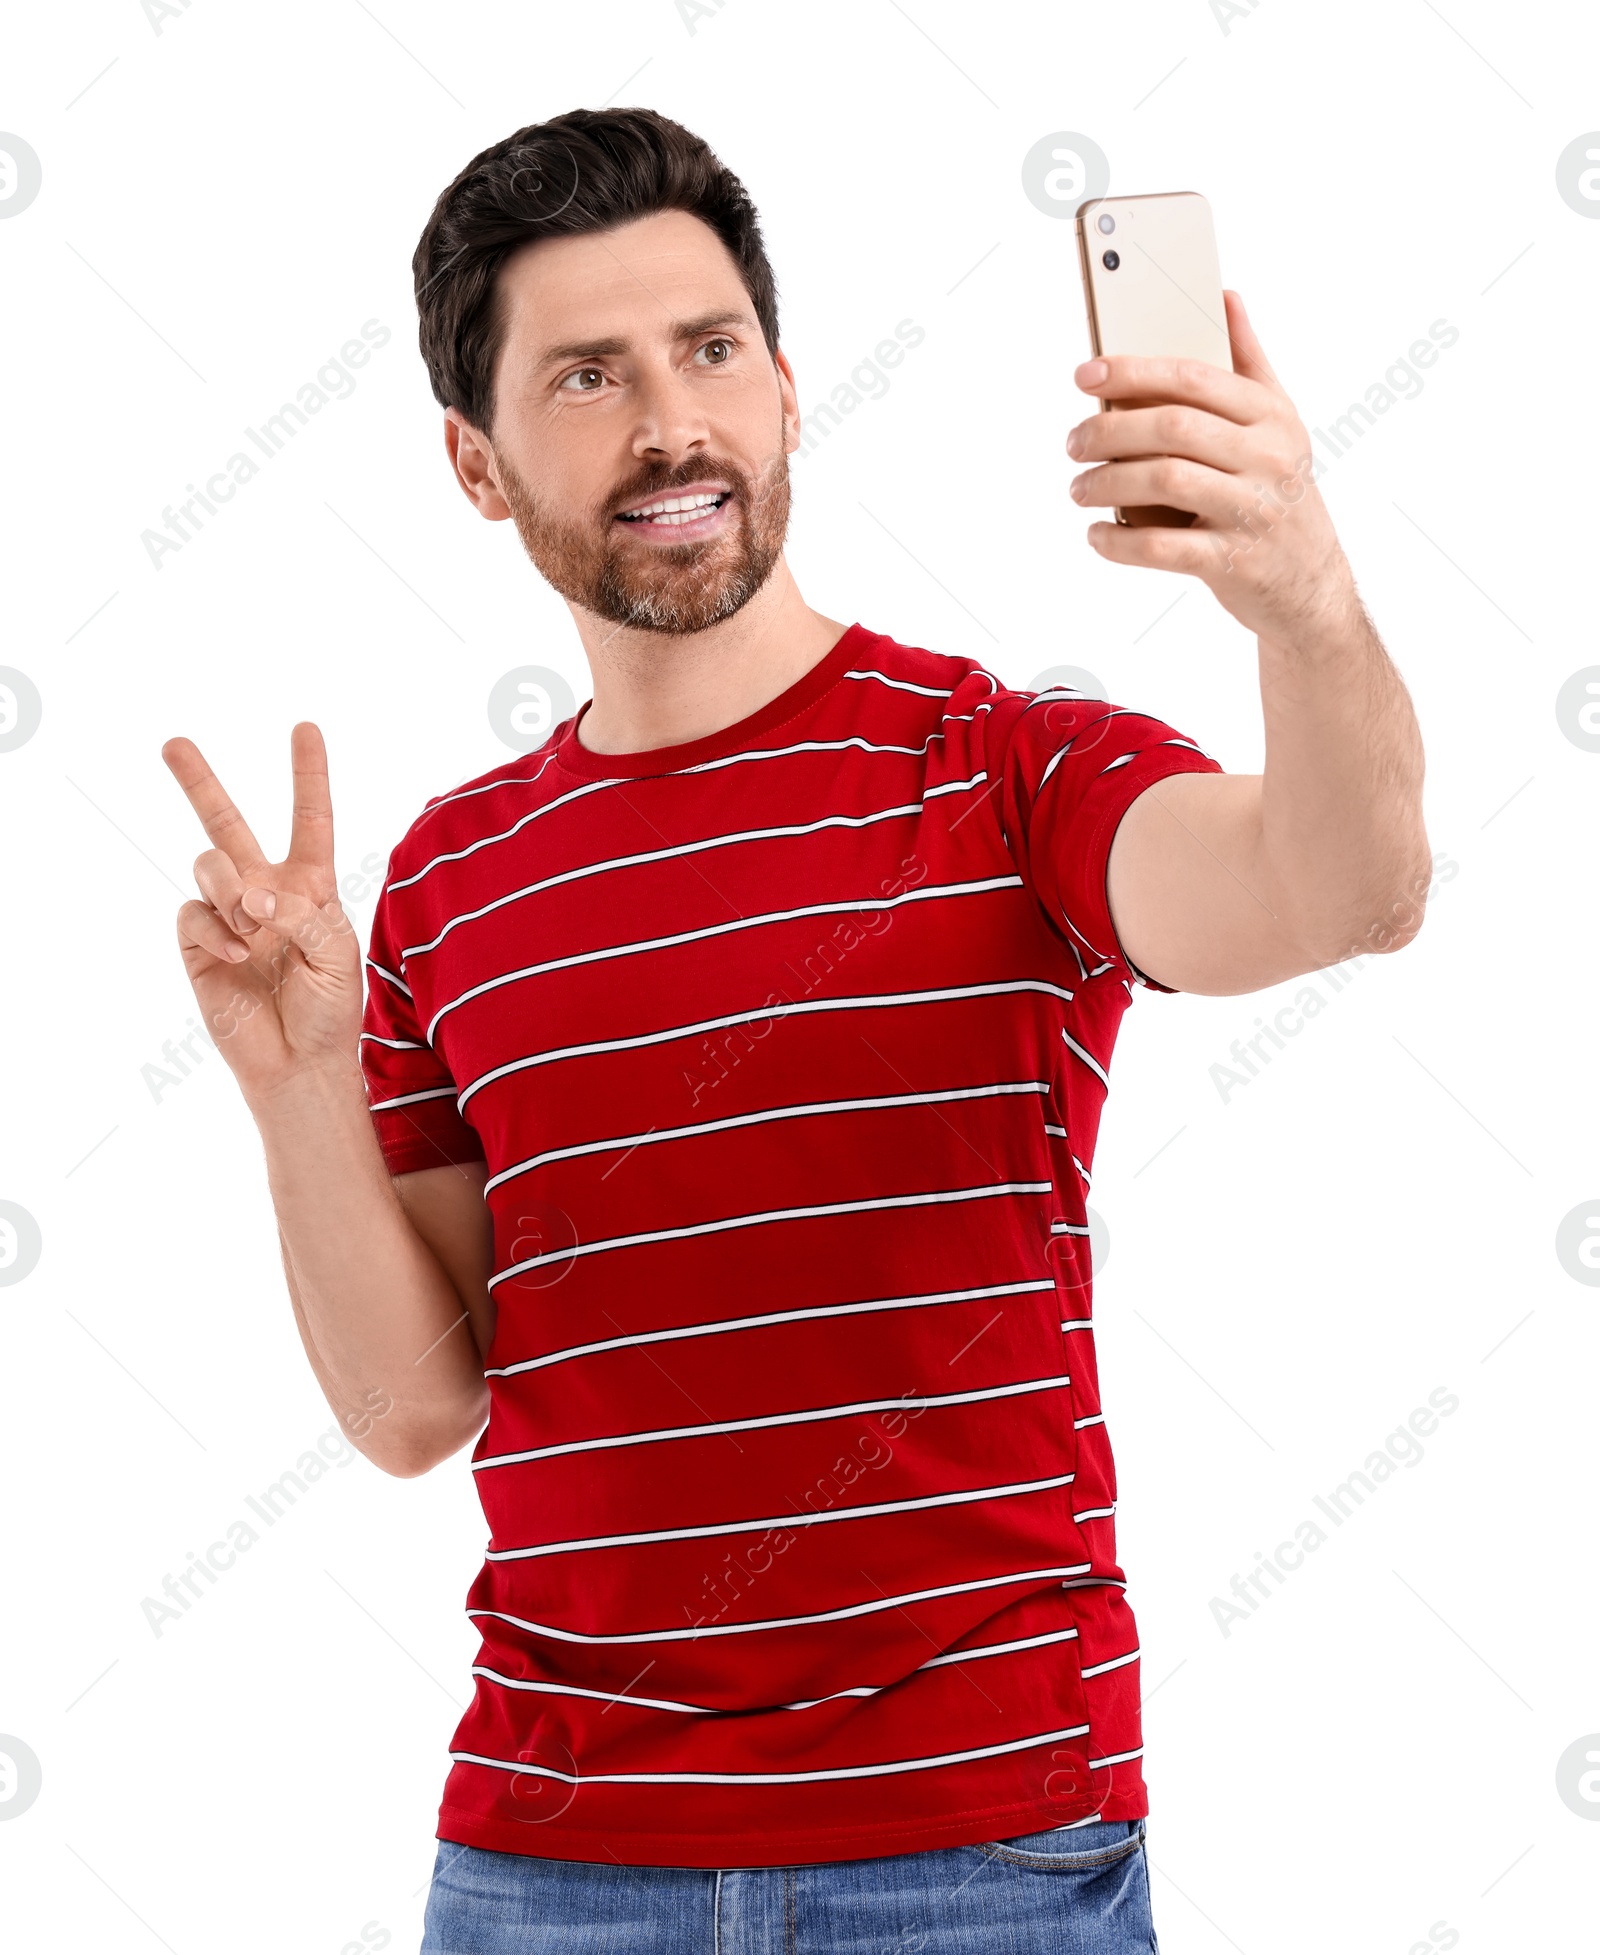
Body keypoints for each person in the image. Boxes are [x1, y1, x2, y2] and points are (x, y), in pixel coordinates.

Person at [161, 107, 1429, 1954]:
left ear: (785, 390)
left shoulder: (1003, 765)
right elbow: (412, 1408)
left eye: (710, 349)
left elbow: (1342, 891)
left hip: (983, 1864)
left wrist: (1303, 603)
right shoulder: (448, 881)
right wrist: (292, 1094)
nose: (673, 421)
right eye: (587, 376)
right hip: (548, 1868)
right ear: (475, 461)